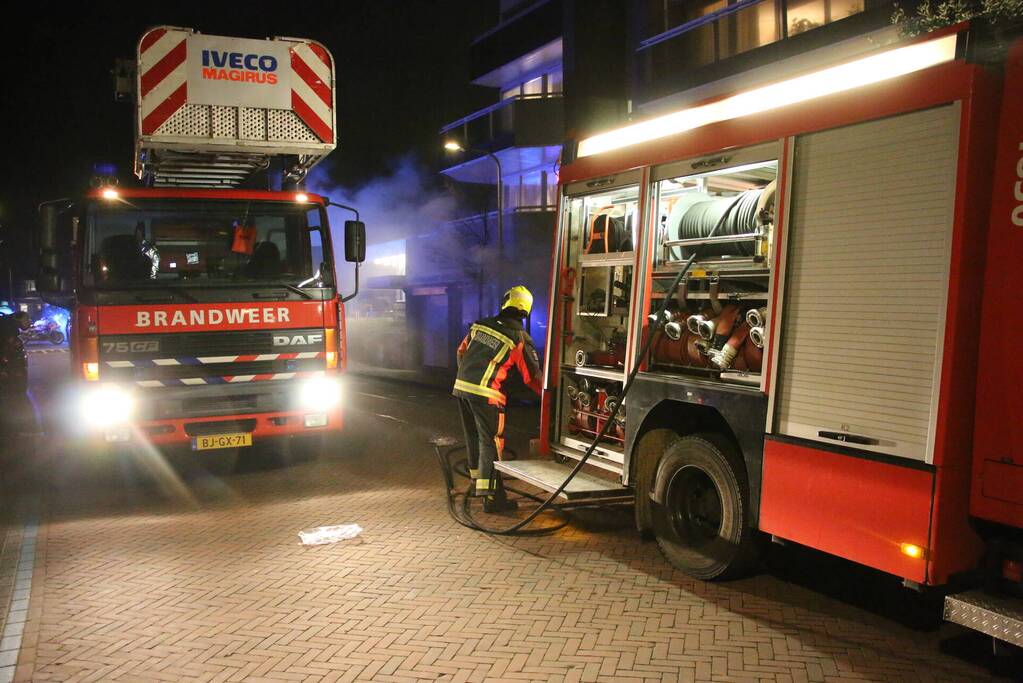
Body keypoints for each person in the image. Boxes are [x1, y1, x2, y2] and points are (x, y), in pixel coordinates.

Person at [453, 286, 543, 513]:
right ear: (526, 311)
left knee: (474, 438)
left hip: (462, 389)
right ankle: (492, 499)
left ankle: (477, 486)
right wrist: (551, 399)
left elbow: (461, 352)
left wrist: (467, 379)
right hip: (487, 395)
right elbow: (531, 377)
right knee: (491, 443)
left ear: (505, 303)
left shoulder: (480, 325)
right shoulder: (519, 338)